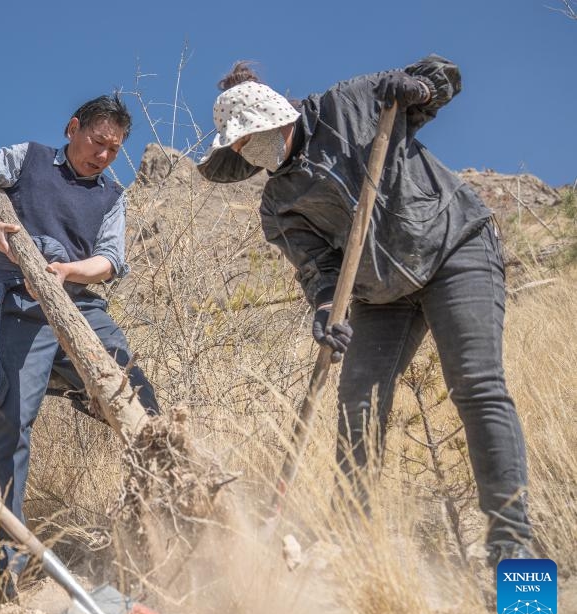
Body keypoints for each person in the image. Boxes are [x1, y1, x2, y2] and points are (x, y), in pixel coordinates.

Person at [198, 55, 533, 565]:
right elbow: (319, 270)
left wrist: (418, 87)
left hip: (452, 246)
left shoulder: (351, 102)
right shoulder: (279, 204)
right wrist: (327, 310)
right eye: (241, 146)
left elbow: (443, 78)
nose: (251, 150)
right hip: (381, 294)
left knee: (475, 384)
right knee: (358, 401)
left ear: (277, 115)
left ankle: (515, 553)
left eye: (252, 136)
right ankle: (352, 546)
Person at [0, 94, 161, 600]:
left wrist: (66, 273)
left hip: (79, 304)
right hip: (18, 304)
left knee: (140, 402)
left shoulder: (112, 194)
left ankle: (156, 534)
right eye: (97, 142)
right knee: (10, 425)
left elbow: (110, 260)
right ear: (73, 127)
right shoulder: (29, 158)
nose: (104, 155)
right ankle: (1, 568)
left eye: (115, 149)